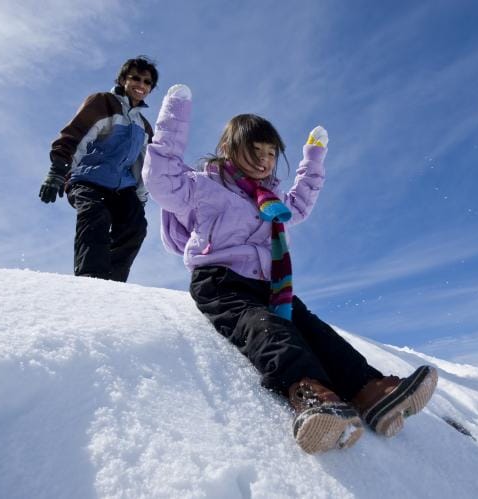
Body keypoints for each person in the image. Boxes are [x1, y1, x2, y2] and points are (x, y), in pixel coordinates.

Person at [142, 84, 438, 454]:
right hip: (221, 281)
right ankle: (311, 395)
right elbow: (161, 180)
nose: (265, 160)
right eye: (256, 150)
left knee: (317, 332)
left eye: (271, 153)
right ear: (230, 149)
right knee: (266, 330)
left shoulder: (272, 200)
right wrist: (173, 118)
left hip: (272, 285)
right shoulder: (204, 186)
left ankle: (371, 391)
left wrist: (313, 159)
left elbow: (300, 202)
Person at [39, 56, 158, 282]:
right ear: (123, 79)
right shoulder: (104, 103)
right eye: (135, 78)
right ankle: (91, 278)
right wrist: (57, 171)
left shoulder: (144, 127)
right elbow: (77, 134)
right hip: (88, 180)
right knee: (96, 217)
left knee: (135, 226)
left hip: (122, 188)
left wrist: (139, 199)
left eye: (146, 82)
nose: (141, 85)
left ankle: (113, 282)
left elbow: (143, 165)